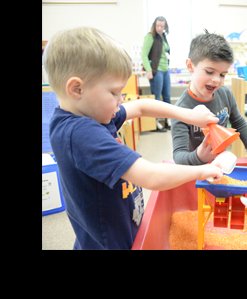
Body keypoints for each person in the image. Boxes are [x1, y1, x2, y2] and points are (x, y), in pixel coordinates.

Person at [43, 26, 223, 250]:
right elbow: (151, 176)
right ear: (76, 89)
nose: (120, 100)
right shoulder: (81, 133)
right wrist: (202, 171)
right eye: (114, 92)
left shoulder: (92, 112)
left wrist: (190, 115)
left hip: (122, 227)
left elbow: (141, 106)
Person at [171, 30, 247, 166]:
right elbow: (179, 156)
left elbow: (240, 123)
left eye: (222, 74)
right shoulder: (181, 109)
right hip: (194, 171)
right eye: (209, 72)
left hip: (220, 167)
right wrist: (199, 156)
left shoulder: (226, 94)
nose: (216, 80)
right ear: (190, 66)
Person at [141, 16, 171, 132]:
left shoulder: (163, 37)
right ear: (154, 25)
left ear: (165, 27)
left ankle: (168, 121)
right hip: (156, 71)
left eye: (162, 26)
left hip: (166, 70)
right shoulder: (150, 37)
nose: (159, 28)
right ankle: (156, 124)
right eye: (157, 26)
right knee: (157, 99)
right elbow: (144, 55)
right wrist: (148, 70)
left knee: (167, 97)